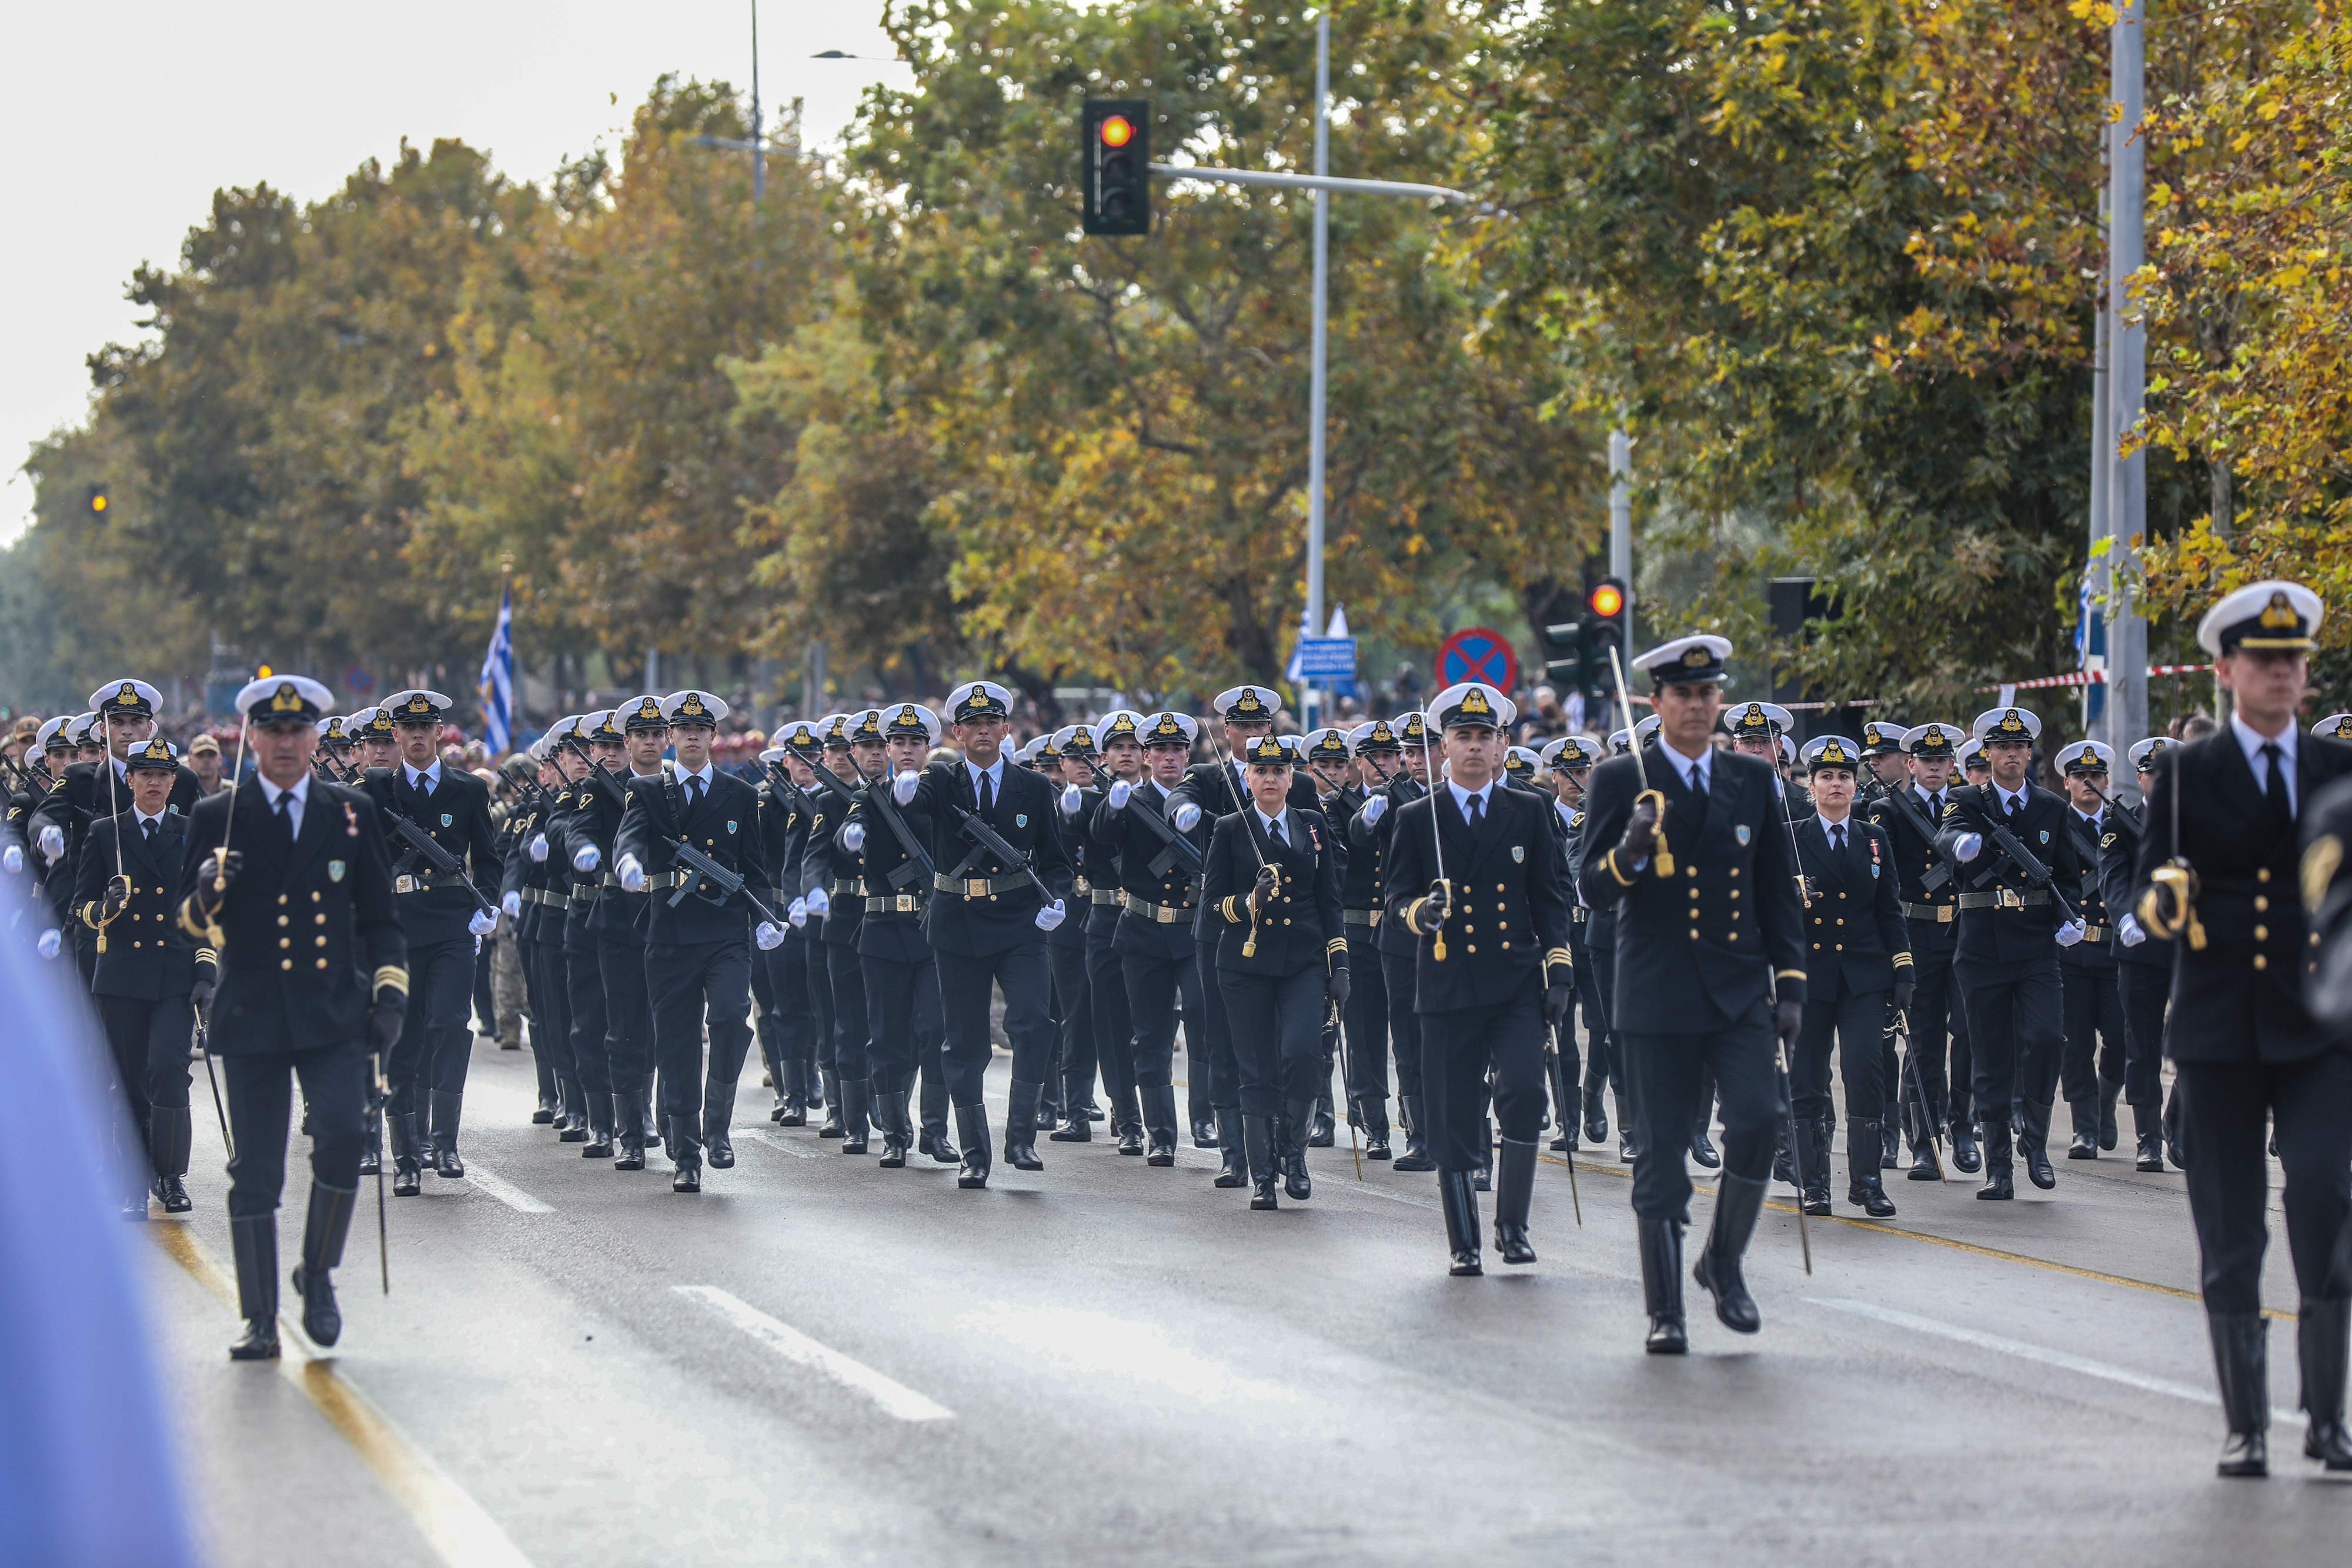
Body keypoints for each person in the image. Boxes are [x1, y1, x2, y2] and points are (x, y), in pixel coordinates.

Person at [2140, 581, 2352, 1476]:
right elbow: (2147, 890)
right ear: (2227, 671)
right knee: (2231, 1231)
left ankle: (2327, 1417)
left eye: (2293, 661)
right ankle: (2247, 1424)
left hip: (2316, 1029)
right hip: (2220, 1026)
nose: (2281, 675)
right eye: (2264, 661)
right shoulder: (2190, 772)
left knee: (2325, 1204)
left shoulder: (2340, 772)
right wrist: (2163, 901)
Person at [1578, 636, 1805, 1352]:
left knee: (1759, 1119)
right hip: (1656, 993)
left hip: (1738, 991)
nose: (1699, 706)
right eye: (1684, 695)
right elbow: (1591, 888)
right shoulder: (1622, 779)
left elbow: (1775, 891)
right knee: (1661, 1155)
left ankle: (1723, 1260)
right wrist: (1632, 849)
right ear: (1657, 703)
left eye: (1709, 694)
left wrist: (1790, 984)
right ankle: (1665, 1309)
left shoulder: (1748, 778)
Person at [172, 675, 406, 1359]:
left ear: (314, 738)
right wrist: (209, 892)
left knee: (340, 1138)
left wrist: (389, 996)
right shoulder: (218, 815)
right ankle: (260, 1318)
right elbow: (185, 924)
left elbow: (381, 921)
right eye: (272, 731)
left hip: (332, 1010)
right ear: (251, 737)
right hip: (251, 1016)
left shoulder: (352, 812)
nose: (285, 743)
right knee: (257, 1172)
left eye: (297, 731)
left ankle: (319, 1273)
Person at [1381, 681, 1574, 1278]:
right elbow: (1395, 897)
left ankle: (1511, 1227)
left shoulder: (1530, 809)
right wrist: (1421, 914)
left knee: (1524, 1093)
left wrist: (1559, 965)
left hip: (1514, 980)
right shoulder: (1418, 817)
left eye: (1483, 737)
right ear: (1442, 747)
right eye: (1461, 737)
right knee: (1453, 1111)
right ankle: (1463, 1239)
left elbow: (1550, 896)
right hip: (1446, 982)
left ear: (1501, 746)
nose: (1472, 747)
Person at [890, 680, 1073, 1189]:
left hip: (1020, 924)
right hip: (959, 922)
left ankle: (1021, 1136)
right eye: (973, 724)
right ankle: (975, 1152)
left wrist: (1056, 901)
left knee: (1035, 1022)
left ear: (1007, 729)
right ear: (958, 732)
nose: (983, 731)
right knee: (965, 1040)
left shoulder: (1033, 788)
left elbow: (1056, 862)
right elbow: (917, 800)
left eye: (992, 722)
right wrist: (904, 786)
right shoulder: (943, 781)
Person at [614, 691, 784, 1192]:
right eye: (682, 729)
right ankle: (688, 1152)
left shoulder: (738, 794)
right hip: (668, 934)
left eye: (700, 728)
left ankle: (717, 1126)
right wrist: (627, 862)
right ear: (670, 737)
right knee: (677, 1042)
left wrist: (766, 918)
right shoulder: (648, 791)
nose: (691, 735)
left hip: (725, 930)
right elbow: (630, 835)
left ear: (713, 737)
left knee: (732, 1018)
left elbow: (752, 867)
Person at [1935, 706, 2086, 1199]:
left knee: (2046, 1039)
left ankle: (2036, 1143)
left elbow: (2067, 876)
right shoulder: (1966, 799)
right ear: (1988, 753)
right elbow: (1947, 831)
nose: (2012, 755)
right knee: (1991, 1056)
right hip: (1981, 947)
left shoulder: (2051, 807)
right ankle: (1999, 1165)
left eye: (2020, 747)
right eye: (2003, 747)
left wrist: (2071, 918)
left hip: (2037, 948)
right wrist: (1960, 845)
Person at [362, 690, 499, 1191]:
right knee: (403, 1036)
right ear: (395, 734)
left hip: (451, 925)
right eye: (408, 728)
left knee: (451, 1023)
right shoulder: (376, 788)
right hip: (397, 926)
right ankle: (405, 1154)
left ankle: (444, 1141)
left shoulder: (466, 791)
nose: (417, 736)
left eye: (427, 727)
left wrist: (488, 902)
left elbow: (487, 858)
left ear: (441, 732)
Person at [1202, 733, 1348, 1209]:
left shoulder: (1311, 825)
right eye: (1261, 771)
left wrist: (1339, 965)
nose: (1270, 778)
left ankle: (1296, 1155)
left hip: (1303, 964)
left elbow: (1329, 900)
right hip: (1246, 967)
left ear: (1292, 776)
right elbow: (1210, 910)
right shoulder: (1230, 828)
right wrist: (1250, 901)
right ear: (1247, 777)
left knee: (1304, 1054)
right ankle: (1264, 1175)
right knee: (1258, 1068)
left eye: (1279, 770)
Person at [72, 734, 211, 1218]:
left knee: (169, 1072)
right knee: (129, 1080)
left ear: (174, 781)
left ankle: (170, 1175)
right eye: (144, 774)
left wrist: (206, 972)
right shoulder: (104, 833)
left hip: (174, 975)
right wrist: (104, 909)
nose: (154, 782)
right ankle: (131, 1180)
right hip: (122, 976)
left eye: (163, 774)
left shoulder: (192, 831)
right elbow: (78, 908)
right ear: (128, 780)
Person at [1787, 735, 1907, 1219]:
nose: (1836, 784)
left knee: (1865, 1071)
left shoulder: (1874, 839)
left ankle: (1868, 1181)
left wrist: (1904, 970)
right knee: (1808, 1080)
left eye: (1844, 777)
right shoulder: (1790, 837)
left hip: (1863, 977)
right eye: (1826, 777)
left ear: (1856, 787)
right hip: (1808, 978)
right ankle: (1814, 1182)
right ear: (1811, 785)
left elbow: (1889, 910)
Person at [1090, 711, 1214, 1169]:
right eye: (1159, 750)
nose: (1168, 757)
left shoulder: (1202, 799)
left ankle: (1204, 1115)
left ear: (1188, 754)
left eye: (1177, 749)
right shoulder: (1131, 799)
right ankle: (1161, 1134)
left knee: (1204, 1013)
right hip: (1143, 932)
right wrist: (1113, 804)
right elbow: (1101, 837)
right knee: (1151, 1036)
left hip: (1194, 931)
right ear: (1146, 756)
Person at [837, 703, 950, 1168]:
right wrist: (853, 836)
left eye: (915, 743)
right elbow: (853, 824)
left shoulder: (943, 793)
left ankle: (935, 1131)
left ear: (927, 749)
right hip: (883, 930)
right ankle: (894, 1131)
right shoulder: (870, 796)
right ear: (887, 749)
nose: (906, 750)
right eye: (899, 743)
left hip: (933, 931)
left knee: (937, 1031)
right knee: (886, 1038)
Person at [1866, 721, 1976, 1178]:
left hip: (1965, 934)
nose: (1934, 767)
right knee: (1923, 1041)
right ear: (1910, 764)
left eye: (1942, 761)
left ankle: (1964, 1127)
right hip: (1917, 933)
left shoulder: (1970, 807)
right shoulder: (1887, 810)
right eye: (1925, 761)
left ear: (1952, 765)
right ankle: (1925, 1141)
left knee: (1970, 1033)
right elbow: (1882, 878)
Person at [1354, 711, 1436, 1171]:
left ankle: (1461, 1131)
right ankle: (1420, 1134)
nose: (1416, 760)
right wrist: (1368, 820)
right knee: (1407, 1038)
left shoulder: (1462, 798)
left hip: (1456, 934)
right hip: (1404, 934)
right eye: (1409, 753)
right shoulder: (1389, 796)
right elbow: (1359, 839)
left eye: (1425, 749)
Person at [2104, 737, 2177, 1172]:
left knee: (2200, 1039)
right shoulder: (2122, 824)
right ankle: (2149, 1137)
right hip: (2141, 945)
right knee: (2143, 1043)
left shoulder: (2203, 826)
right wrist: (2124, 918)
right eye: (2153, 773)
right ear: (2140, 778)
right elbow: (2113, 879)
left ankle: (2181, 1122)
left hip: (2193, 948)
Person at [2053, 740, 2127, 1159]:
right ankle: (2084, 1126)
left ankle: (2105, 1100)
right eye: (2081, 777)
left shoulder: (2123, 825)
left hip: (2116, 951)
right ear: (2067, 782)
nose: (2089, 782)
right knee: (2077, 1042)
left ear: (2106, 781)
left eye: (2096, 776)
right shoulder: (2056, 825)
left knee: (2120, 1038)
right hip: (2073, 951)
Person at [1338, 717, 1406, 1159]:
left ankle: (1414, 1112)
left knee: (1408, 1026)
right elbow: (1350, 847)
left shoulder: (1414, 801)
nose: (1381, 764)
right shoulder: (1337, 807)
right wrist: (1365, 820)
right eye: (1373, 757)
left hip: (1402, 930)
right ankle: (1374, 1119)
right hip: (1360, 929)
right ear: (1357, 763)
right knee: (1363, 1030)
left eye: (1388, 756)